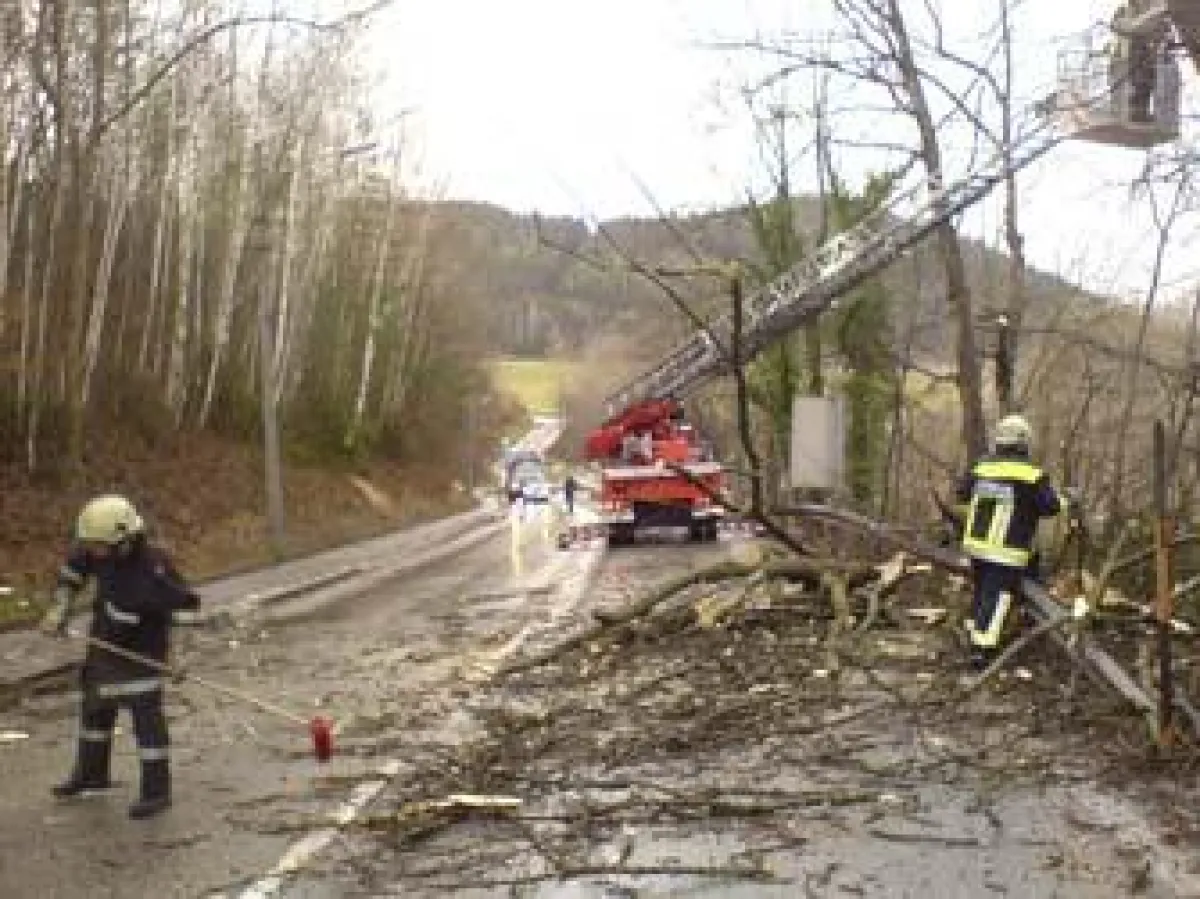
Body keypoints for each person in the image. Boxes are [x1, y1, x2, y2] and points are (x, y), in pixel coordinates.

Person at [40, 494, 200, 819]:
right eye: (91, 546)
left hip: (143, 654)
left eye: (99, 547)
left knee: (147, 725)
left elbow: (185, 609)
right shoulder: (99, 550)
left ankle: (156, 791)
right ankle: (91, 775)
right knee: (94, 715)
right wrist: (59, 609)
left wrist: (179, 657)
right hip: (104, 646)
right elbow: (72, 572)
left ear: (124, 540)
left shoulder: (154, 570)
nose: (94, 553)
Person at [954, 416, 1066, 670]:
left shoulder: (981, 468)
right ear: (1024, 442)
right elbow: (1050, 507)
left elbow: (962, 495)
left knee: (982, 591)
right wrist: (1067, 499)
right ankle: (981, 650)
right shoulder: (1032, 474)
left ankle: (975, 634)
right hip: (1007, 549)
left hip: (977, 544)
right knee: (999, 595)